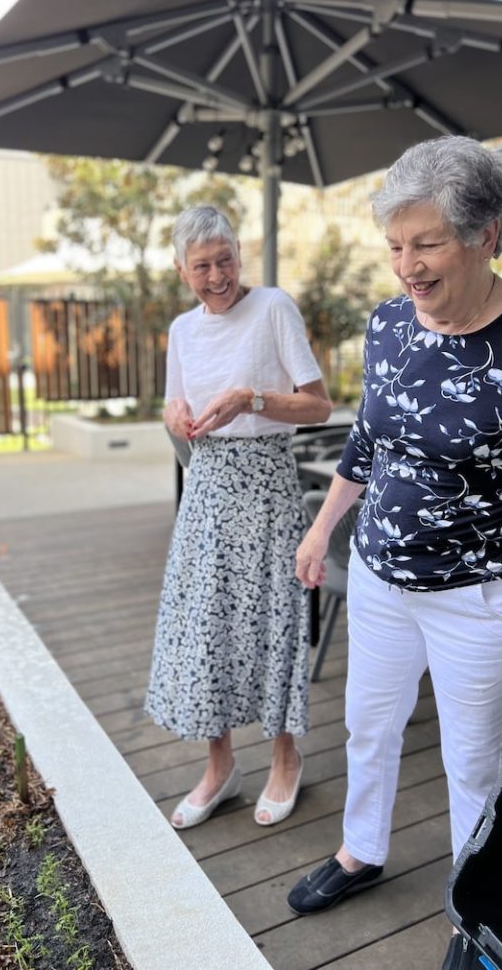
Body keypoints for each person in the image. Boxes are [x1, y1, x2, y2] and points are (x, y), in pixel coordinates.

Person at [284, 137, 502, 969]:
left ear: (486, 235)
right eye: (395, 246)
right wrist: (324, 529)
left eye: (426, 244)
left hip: (488, 595)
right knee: (368, 725)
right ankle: (362, 849)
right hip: (384, 577)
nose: (407, 267)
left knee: (474, 765)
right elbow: (368, 437)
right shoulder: (390, 322)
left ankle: (477, 915)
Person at [144, 205, 332, 830]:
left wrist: (251, 399)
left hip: (268, 485)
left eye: (225, 260)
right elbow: (180, 418)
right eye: (202, 266)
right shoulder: (181, 331)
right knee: (208, 627)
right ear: (181, 270)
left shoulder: (274, 307)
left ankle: (285, 759)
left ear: (239, 255)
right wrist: (174, 420)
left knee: (275, 621)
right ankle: (220, 766)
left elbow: (317, 406)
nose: (218, 275)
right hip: (206, 489)